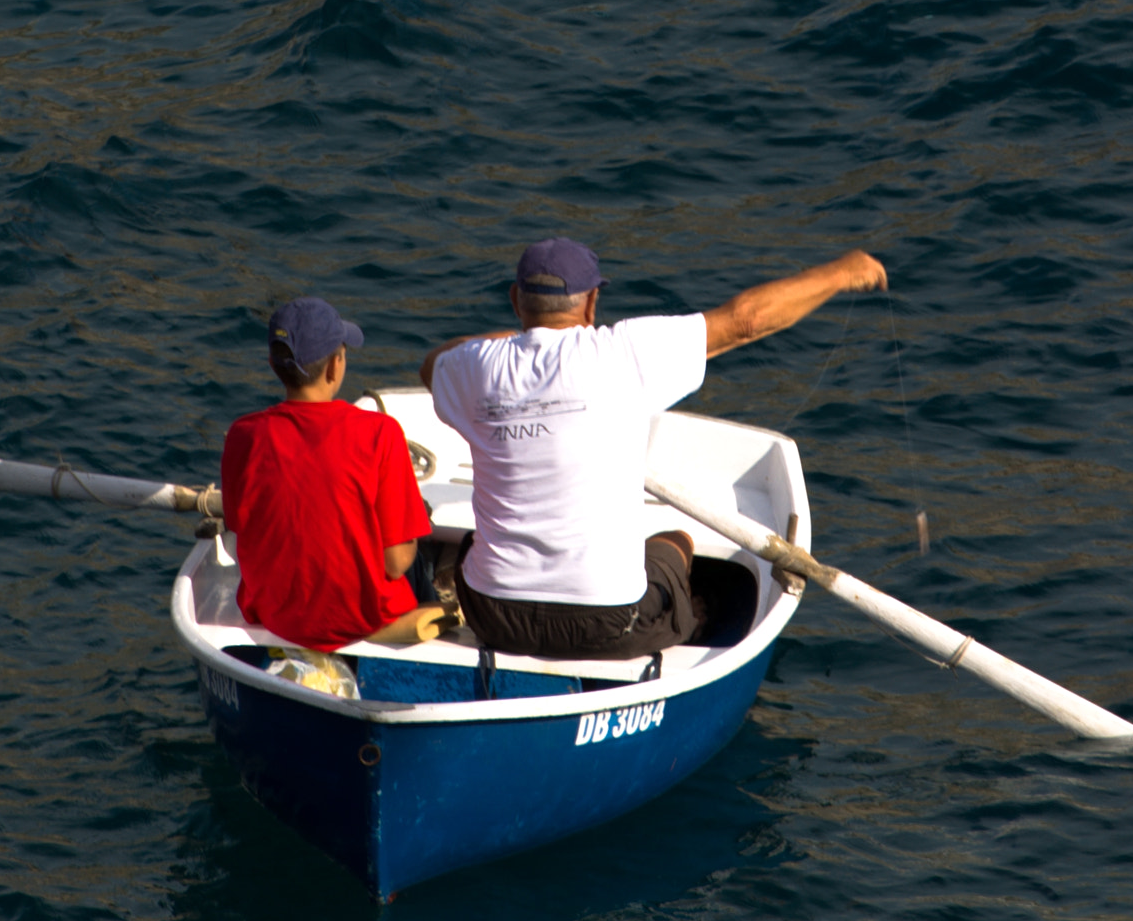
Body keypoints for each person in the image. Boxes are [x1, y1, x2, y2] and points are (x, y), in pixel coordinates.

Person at [420, 239, 887, 660]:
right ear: (592, 303)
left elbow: (433, 365)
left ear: (515, 301)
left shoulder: (473, 369)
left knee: (466, 550)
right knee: (675, 543)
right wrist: (842, 272)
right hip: (606, 625)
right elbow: (747, 321)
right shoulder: (624, 353)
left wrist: (515, 343)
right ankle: (691, 618)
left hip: (495, 617)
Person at [221, 296, 439, 651]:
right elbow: (396, 563)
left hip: (275, 616)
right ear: (334, 367)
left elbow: (237, 533)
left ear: (273, 364)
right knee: (414, 541)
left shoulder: (243, 436)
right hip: (365, 619)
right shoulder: (380, 433)